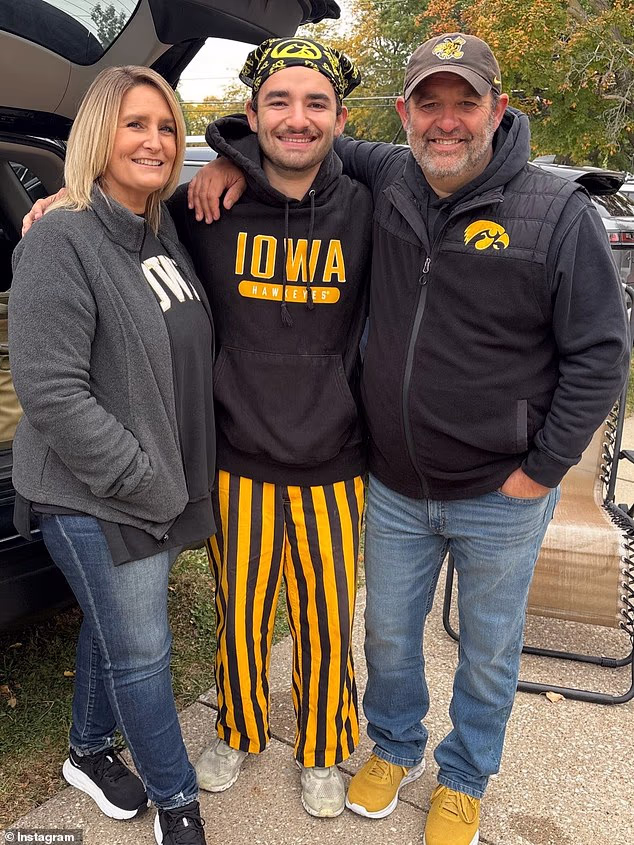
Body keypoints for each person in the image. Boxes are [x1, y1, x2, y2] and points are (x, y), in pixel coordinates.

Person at [184, 31, 630, 845]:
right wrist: (225, 158)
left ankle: (460, 776)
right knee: (382, 635)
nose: (447, 121)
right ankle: (386, 745)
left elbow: (601, 354)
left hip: (492, 487)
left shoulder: (549, 211)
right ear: (403, 113)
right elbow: (281, 140)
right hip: (386, 480)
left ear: (498, 108)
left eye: (466, 103)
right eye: (431, 104)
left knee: (484, 649)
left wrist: (541, 470)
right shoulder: (387, 179)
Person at [11, 65, 214, 845]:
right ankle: (179, 801)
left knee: (115, 625)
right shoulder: (60, 240)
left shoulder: (158, 231)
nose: (155, 141)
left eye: (166, 127)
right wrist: (145, 479)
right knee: (142, 653)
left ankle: (87, 750)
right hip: (94, 495)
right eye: (135, 124)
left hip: (153, 485)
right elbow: (53, 394)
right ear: (100, 133)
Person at [169, 38, 372, 819]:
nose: (297, 117)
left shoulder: (368, 207)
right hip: (239, 455)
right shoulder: (204, 207)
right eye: (279, 101)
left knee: (326, 618)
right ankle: (239, 727)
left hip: (333, 457)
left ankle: (323, 747)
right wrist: (66, 208)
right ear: (251, 114)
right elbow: (125, 229)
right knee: (241, 610)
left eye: (316, 102)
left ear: (340, 120)